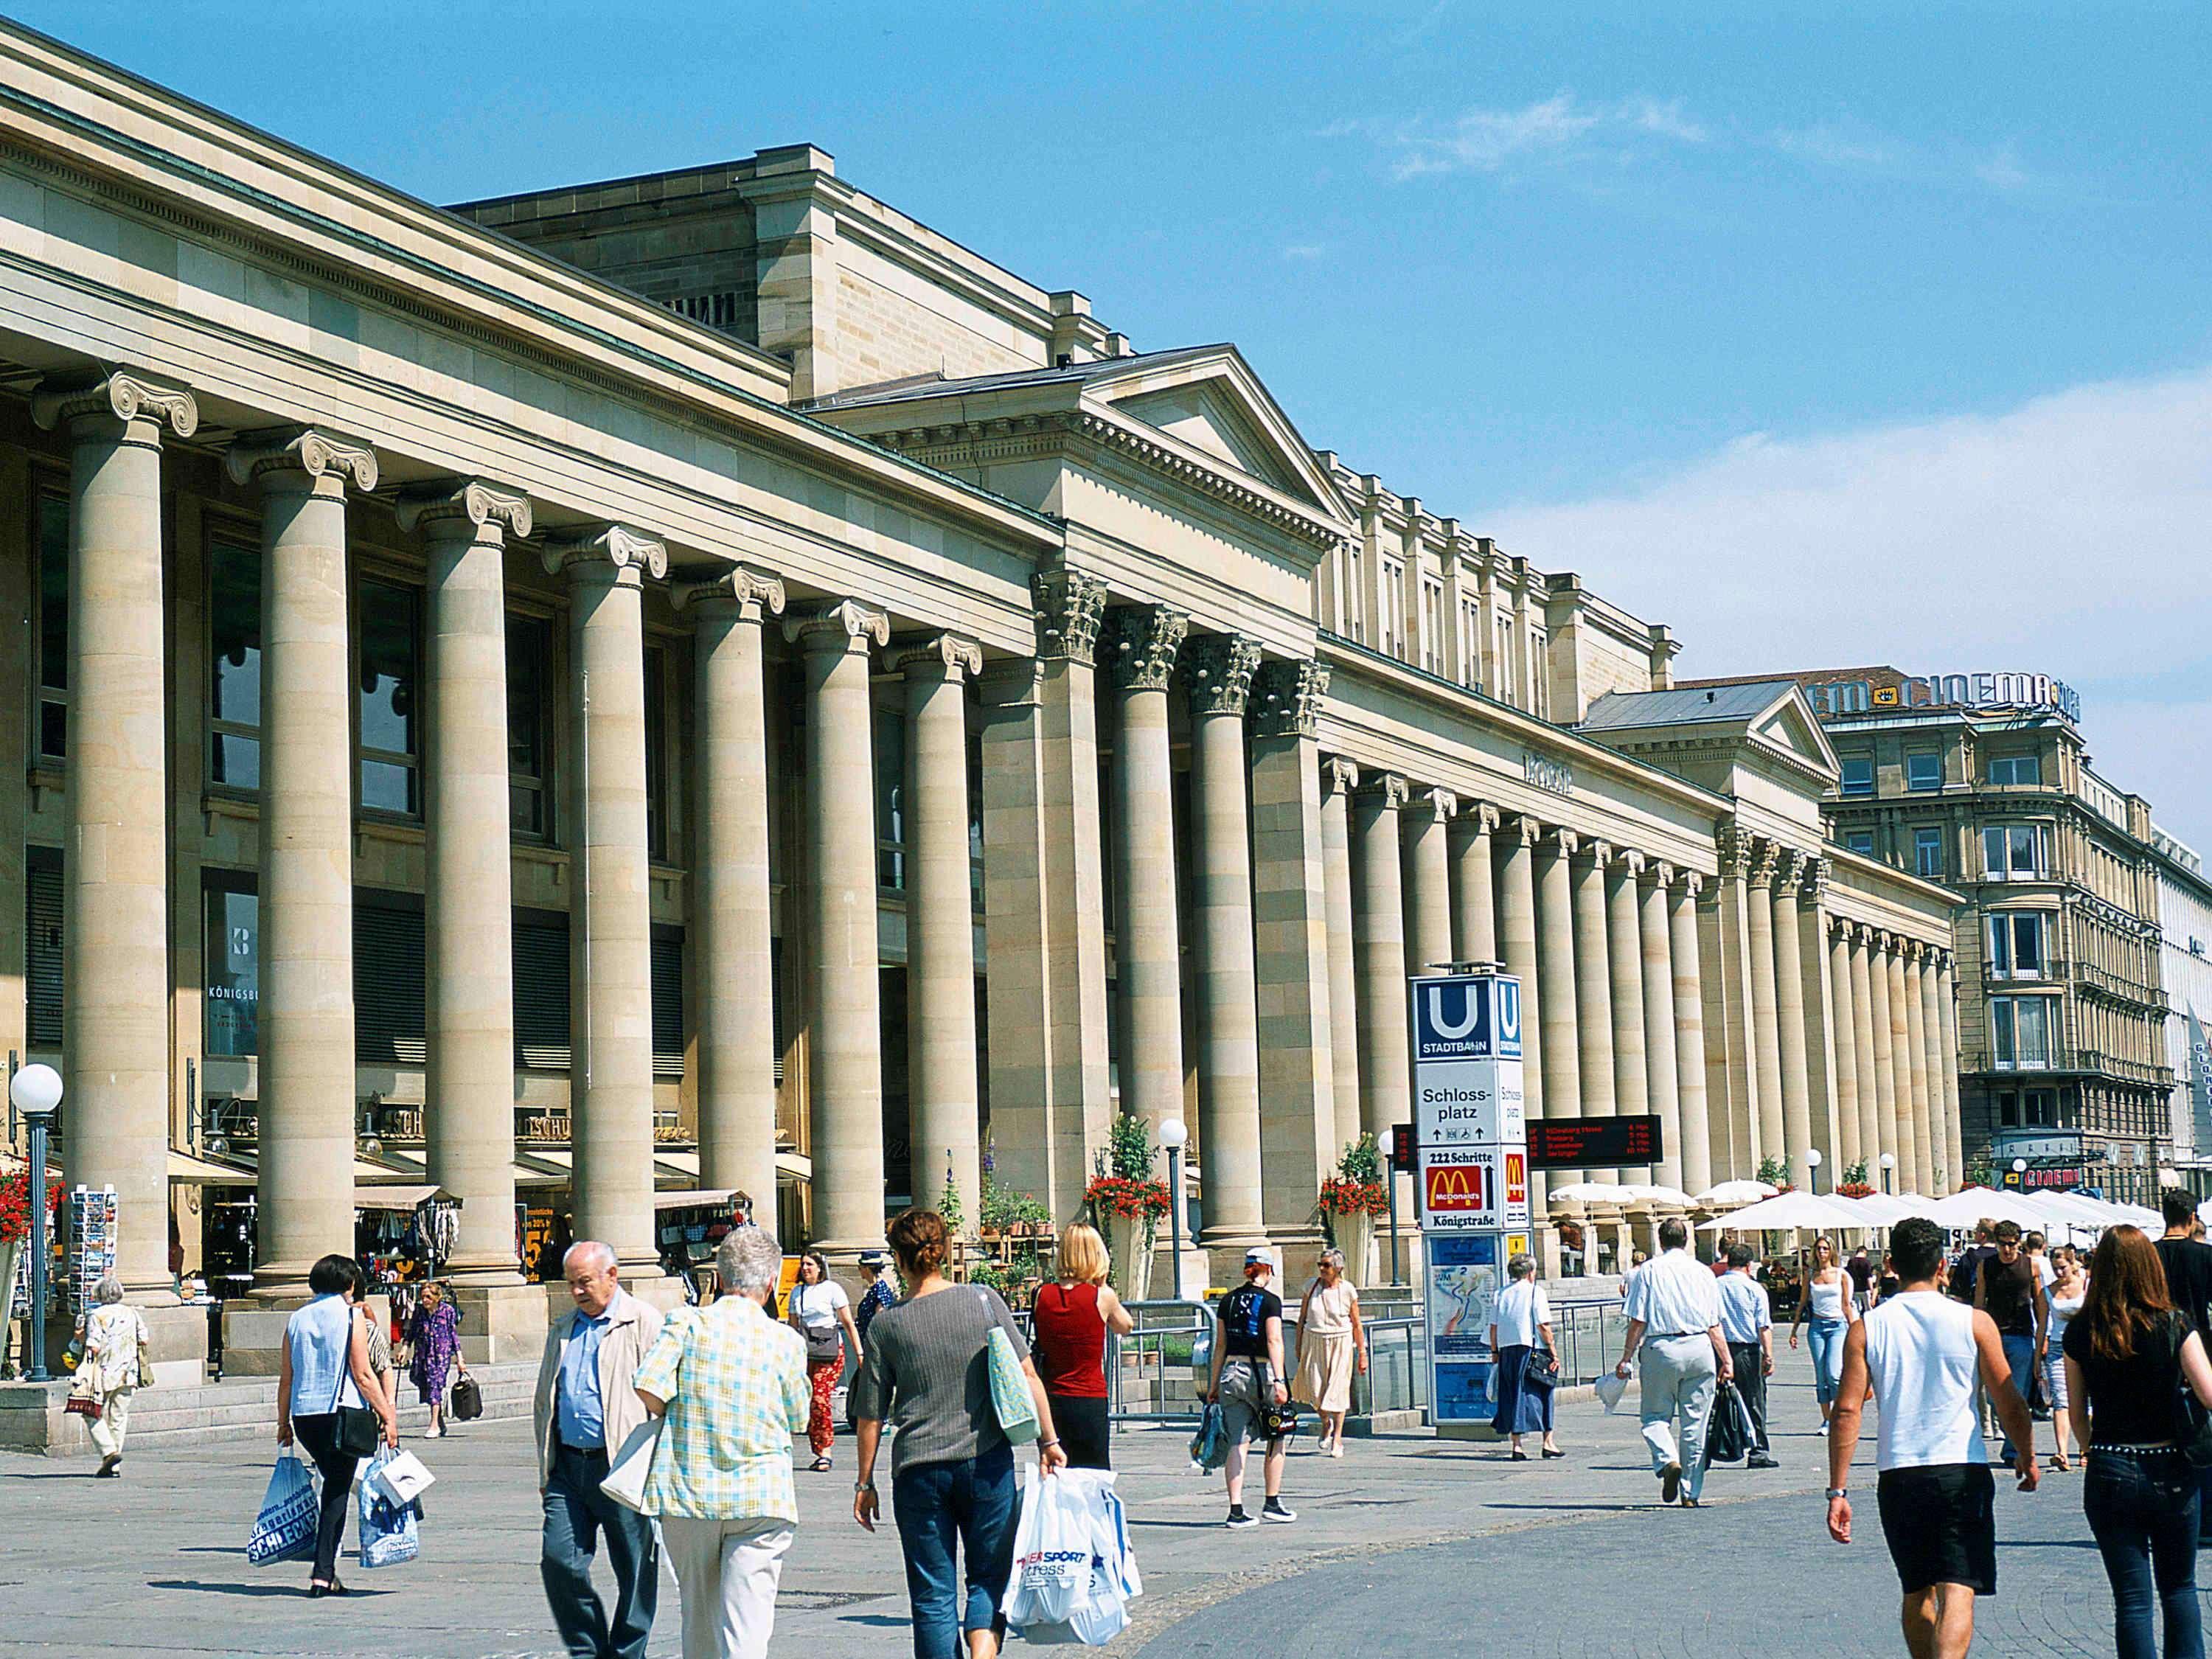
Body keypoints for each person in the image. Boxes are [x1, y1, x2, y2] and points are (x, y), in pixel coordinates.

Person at [851, 1208, 1066, 1659]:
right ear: (944, 1250)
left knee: (932, 1596)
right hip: (985, 1461)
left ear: (898, 1258)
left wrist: (864, 1481)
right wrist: (1048, 1440)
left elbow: (870, 1413)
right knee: (988, 1577)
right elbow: (1027, 1374)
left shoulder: (887, 1324)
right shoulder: (983, 1301)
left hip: (917, 1471)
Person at [1826, 1216, 2037, 1659]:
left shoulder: (1867, 1327)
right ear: (1942, 1266)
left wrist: (1838, 1489)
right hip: (1961, 1468)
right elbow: (2009, 1398)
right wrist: (2027, 1454)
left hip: (1900, 1472)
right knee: (1959, 1588)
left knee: (1916, 1589)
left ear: (1892, 1265)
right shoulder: (1974, 1321)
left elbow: (1847, 1409)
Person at [633, 1225, 810, 1659]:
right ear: (771, 1285)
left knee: (698, 1615)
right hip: (759, 1499)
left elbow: (648, 1389)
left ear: (718, 1278)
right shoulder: (785, 1341)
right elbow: (799, 1418)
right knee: (745, 1627)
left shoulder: (686, 1323)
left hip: (688, 1494)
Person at [2064, 1224, 2212, 1659]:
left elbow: (2076, 1413)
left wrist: (2092, 1448)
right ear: (2151, 1268)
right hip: (2171, 1466)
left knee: (2132, 1598)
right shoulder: (2173, 1323)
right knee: (2180, 1588)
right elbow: (2208, 1393)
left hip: (2110, 1464)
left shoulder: (2083, 1330)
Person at [533, 1240, 665, 1659]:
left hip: (623, 1466)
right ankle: (588, 1650)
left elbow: (666, 1398)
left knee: (635, 1567)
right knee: (560, 1561)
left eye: (584, 1282)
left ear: (612, 1276)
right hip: (569, 1467)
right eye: (571, 1283)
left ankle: (628, 1651)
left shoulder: (643, 1322)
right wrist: (545, 1469)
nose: (576, 1292)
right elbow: (545, 1401)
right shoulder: (563, 1328)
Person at [276, 1253, 398, 1598]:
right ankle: (322, 1573)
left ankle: (326, 1570)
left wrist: (283, 1421)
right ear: (350, 1283)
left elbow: (287, 1378)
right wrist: (388, 1415)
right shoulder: (351, 1316)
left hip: (305, 1416)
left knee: (333, 1487)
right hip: (342, 1414)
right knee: (336, 1492)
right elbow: (362, 1373)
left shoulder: (296, 1319)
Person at [1614, 1216, 1730, 1508]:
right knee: (1695, 1424)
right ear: (1687, 1240)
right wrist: (1726, 1360)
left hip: (1662, 1347)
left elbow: (1638, 1319)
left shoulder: (1649, 1271)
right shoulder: (1704, 1273)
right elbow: (1714, 1322)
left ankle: (1668, 1460)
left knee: (1654, 1418)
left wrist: (1627, 1357)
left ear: (1660, 1241)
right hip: (1700, 1347)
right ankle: (1690, 1493)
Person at [1204, 1246, 1298, 1526]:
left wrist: (1213, 1384)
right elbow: (1274, 1341)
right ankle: (1272, 1501)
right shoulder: (1270, 1301)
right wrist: (1280, 1381)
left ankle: (1236, 1510)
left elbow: (1219, 1345)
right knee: (1277, 1433)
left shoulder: (1228, 1301)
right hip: (1262, 1372)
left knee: (1238, 1441)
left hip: (1231, 1373)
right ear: (1267, 1270)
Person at [1029, 1222, 1133, 1471]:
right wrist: (1104, 1284)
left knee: (1056, 1472)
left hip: (1050, 1399)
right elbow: (1126, 1326)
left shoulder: (1040, 1294)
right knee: (1093, 1477)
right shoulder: (1101, 1296)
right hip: (1089, 1398)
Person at [2156, 1186, 2212, 1543]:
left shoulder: (2145, 1256)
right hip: (2200, 1349)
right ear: (2192, 1218)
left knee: (2160, 1432)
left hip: (2153, 1351)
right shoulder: (2205, 1256)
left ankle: (2164, 1511)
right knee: (2202, 1433)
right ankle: (2205, 1518)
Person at [1974, 1220, 2048, 1467]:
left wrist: (2042, 1340)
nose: (2007, 1250)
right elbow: (1979, 1303)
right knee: (1995, 1398)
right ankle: (2013, 1442)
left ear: (2019, 1243)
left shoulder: (2031, 1266)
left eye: (2012, 1244)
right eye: (2002, 1244)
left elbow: (2040, 1305)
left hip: (2022, 1335)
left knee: (2018, 1396)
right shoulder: (1987, 1266)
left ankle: (2012, 1450)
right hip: (1992, 1336)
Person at [787, 1251, 863, 1474]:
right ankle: (818, 1448)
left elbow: (848, 1322)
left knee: (820, 1398)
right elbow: (793, 1327)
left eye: (810, 1264)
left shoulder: (832, 1290)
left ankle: (825, 1452)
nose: (805, 1268)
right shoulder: (797, 1292)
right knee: (810, 1402)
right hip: (806, 1352)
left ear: (820, 1267)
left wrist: (859, 1352)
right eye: (803, 1264)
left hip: (830, 1352)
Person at [1293, 1247, 1368, 1459]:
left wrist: (1362, 1353)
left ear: (1338, 1268)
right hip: (1314, 1339)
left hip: (1341, 1341)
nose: (1322, 1269)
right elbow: (1302, 1318)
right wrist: (1298, 1345)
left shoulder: (1348, 1290)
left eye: (1326, 1265)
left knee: (1337, 1389)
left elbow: (1357, 1324)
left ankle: (1338, 1437)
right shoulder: (1311, 1287)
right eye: (1321, 1264)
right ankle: (1326, 1422)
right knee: (1316, 1390)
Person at [1486, 1253, 1558, 1460]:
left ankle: (1517, 1445)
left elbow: (1494, 1327)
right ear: (1530, 1273)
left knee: (1512, 1394)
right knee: (1544, 1391)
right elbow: (1543, 1326)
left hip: (1507, 1351)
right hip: (1533, 1349)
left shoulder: (1500, 1293)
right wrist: (1553, 1351)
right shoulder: (1536, 1292)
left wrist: (1494, 1353)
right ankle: (1548, 1441)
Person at [77, 1274, 147, 1477]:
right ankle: (114, 1466)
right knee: (119, 1417)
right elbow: (144, 1338)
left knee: (90, 1413)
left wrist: (79, 1338)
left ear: (98, 1294)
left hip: (104, 1372)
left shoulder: (96, 1315)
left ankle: (108, 1452)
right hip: (129, 1372)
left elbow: (93, 1345)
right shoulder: (132, 1313)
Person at [1716, 1244, 1778, 1469]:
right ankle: (1758, 1450)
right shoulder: (1754, 1289)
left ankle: (1713, 1447)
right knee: (1754, 1400)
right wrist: (1768, 1356)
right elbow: (1763, 1325)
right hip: (1746, 1351)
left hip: (1718, 1349)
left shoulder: (1714, 1286)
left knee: (1716, 1400)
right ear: (1749, 1265)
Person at [1790, 1234, 1859, 1430]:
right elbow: (1803, 1303)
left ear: (1832, 1251)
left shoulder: (1841, 1275)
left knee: (1833, 1373)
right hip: (1817, 1327)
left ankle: (1839, 1415)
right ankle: (1827, 1419)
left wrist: (1854, 1330)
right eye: (1819, 1249)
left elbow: (1847, 1304)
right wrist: (1794, 1330)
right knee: (1820, 1376)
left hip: (1837, 1326)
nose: (1821, 1252)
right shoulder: (1811, 1275)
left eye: (1825, 1249)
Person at [406, 1279, 468, 1439]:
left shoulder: (447, 1311)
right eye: (423, 1297)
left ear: (436, 1297)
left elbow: (453, 1335)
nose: (425, 1300)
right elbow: (412, 1330)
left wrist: (460, 1358)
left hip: (441, 1356)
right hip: (423, 1354)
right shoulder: (419, 1312)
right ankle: (439, 1421)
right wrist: (405, 1347)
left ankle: (433, 1424)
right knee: (426, 1386)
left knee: (435, 1385)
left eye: (428, 1297)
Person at [2044, 1245, 2087, 1472]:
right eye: (2055, 1269)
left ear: (2072, 1264)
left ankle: (2085, 1449)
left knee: (2085, 1399)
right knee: (2061, 1400)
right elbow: (2043, 1323)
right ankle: (2062, 1452)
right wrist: (2037, 1355)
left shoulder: (2086, 1285)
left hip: (2085, 1345)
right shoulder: (2048, 1291)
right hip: (2058, 1347)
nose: (2059, 1273)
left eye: (2062, 1268)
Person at [1948, 1220, 1996, 1304]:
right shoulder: (2001, 1258)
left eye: (1976, 1231)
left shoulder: (1969, 1258)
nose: (1974, 1234)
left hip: (1972, 1306)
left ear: (1982, 1235)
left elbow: (1958, 1292)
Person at [855, 1251, 898, 1343]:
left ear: (867, 1269)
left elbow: (881, 1321)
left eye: (860, 1268)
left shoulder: (880, 1290)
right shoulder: (874, 1289)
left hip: (875, 1345)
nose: (859, 1270)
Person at [1848, 1245, 1879, 1311]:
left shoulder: (1851, 1262)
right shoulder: (1866, 1262)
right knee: (1868, 1308)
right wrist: (1871, 1289)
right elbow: (1869, 1277)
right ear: (1864, 1252)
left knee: (1856, 1309)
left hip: (1855, 1289)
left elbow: (1849, 1276)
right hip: (1865, 1289)